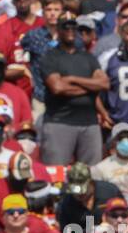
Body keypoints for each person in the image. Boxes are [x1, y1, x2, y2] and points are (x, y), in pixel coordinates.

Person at [41, 13, 109, 166]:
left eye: (73, 27)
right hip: (60, 122)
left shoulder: (88, 57)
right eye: (66, 26)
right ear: (58, 30)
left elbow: (104, 83)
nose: (70, 30)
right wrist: (91, 86)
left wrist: (72, 79)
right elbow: (57, 88)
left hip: (89, 123)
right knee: (57, 176)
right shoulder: (50, 57)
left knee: (91, 175)